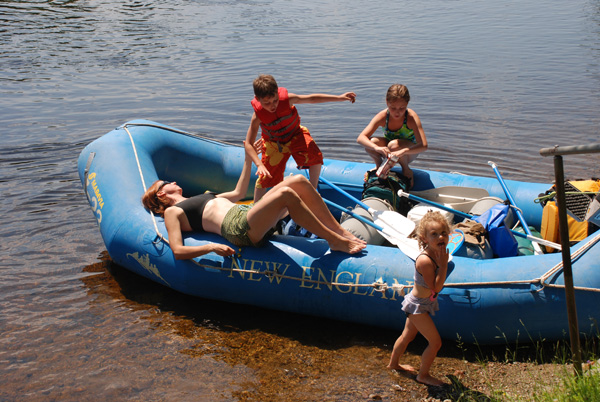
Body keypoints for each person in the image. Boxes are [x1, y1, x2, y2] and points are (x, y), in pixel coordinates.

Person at [141, 151, 366, 260]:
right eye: (167, 183)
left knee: (298, 181)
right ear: (161, 193)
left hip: (246, 214)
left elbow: (239, 193)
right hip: (237, 229)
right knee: (287, 192)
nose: (173, 182)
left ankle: (340, 231)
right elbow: (178, 251)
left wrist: (249, 159)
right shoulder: (173, 212)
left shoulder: (204, 196)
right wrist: (211, 248)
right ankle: (334, 240)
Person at [245, 74, 356, 201]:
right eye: (267, 103)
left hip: (295, 135)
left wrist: (339, 98)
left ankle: (312, 191)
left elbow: (312, 99)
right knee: (264, 177)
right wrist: (259, 165)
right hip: (275, 143)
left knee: (316, 156)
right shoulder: (257, 116)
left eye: (275, 100)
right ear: (257, 99)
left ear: (277, 93)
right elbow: (248, 143)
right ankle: (256, 208)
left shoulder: (287, 99)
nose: (273, 105)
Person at [387, 210, 450, 386]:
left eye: (443, 233)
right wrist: (443, 266)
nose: (440, 237)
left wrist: (443, 262)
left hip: (423, 303)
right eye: (434, 234)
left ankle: (393, 364)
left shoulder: (438, 253)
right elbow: (435, 287)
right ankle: (423, 375)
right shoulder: (425, 260)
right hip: (418, 307)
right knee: (435, 342)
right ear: (424, 238)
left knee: (407, 335)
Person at [356, 84, 427, 188]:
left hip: (408, 152)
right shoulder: (383, 116)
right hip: (390, 150)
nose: (397, 112)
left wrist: (403, 151)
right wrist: (377, 148)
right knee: (372, 142)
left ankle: (406, 169)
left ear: (407, 103)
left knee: (394, 145)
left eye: (402, 108)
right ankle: (379, 166)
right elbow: (360, 138)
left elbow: (424, 145)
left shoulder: (411, 117)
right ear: (387, 102)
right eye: (393, 108)